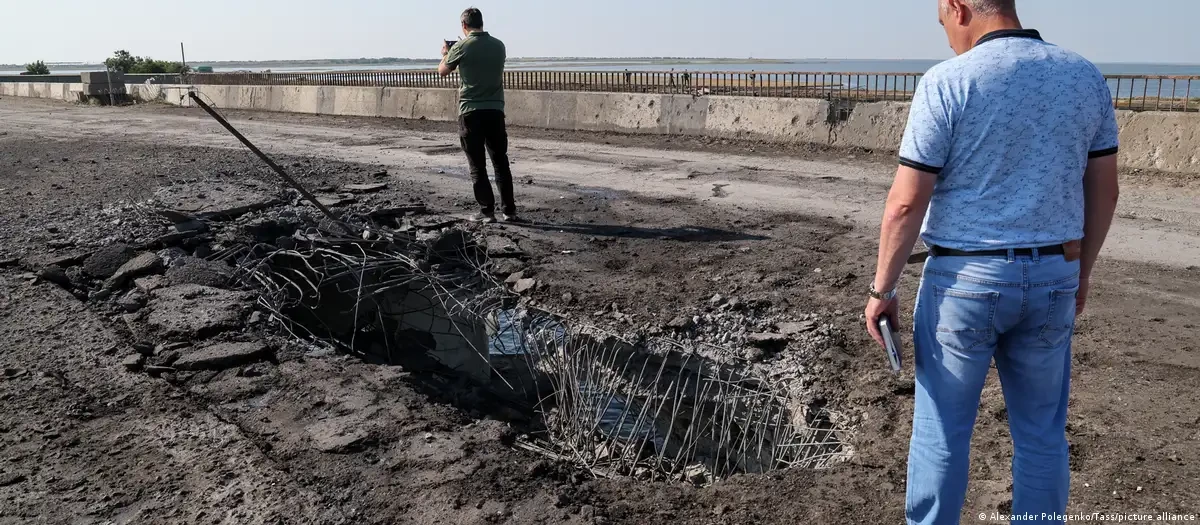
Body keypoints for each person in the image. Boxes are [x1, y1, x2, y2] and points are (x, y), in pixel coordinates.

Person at [863, 1, 1120, 524]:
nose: (947, 40)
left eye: (943, 25)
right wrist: (1081, 272)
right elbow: (1105, 192)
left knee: (943, 430)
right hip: (1054, 276)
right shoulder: (1083, 76)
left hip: (964, 282)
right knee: (1043, 432)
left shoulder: (948, 82)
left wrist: (881, 290)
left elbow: (907, 203)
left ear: (958, 8)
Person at [439, 7, 521, 223]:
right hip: (495, 110)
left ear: (464, 26)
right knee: (500, 162)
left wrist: (446, 52)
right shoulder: (499, 45)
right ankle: (509, 211)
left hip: (470, 112)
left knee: (477, 165)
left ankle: (487, 212)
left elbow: (442, 71)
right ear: (482, 23)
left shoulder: (462, 46)